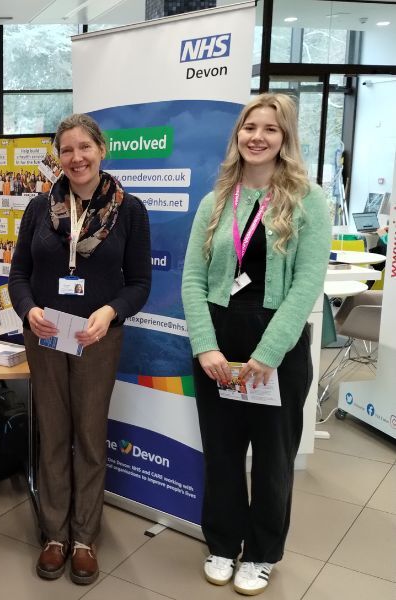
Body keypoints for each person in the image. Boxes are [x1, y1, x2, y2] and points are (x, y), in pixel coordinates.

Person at [181, 93, 331, 596]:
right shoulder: (217, 199)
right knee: (221, 454)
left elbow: (308, 283)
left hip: (278, 349)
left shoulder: (309, 200)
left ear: (285, 138)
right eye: (249, 127)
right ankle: (222, 543)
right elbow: (192, 281)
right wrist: (205, 347)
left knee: (272, 459)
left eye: (270, 128)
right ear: (238, 136)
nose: (257, 137)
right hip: (217, 346)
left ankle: (262, 553)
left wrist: (269, 355)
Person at [9, 113, 151, 585]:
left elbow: (140, 284)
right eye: (66, 150)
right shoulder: (39, 208)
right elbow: (19, 276)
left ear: (101, 150)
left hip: (97, 338)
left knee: (90, 437)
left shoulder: (129, 211)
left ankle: (85, 537)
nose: (76, 158)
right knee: (52, 433)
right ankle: (55, 535)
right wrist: (28, 309)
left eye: (84, 147)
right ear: (58, 156)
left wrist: (110, 313)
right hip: (47, 335)